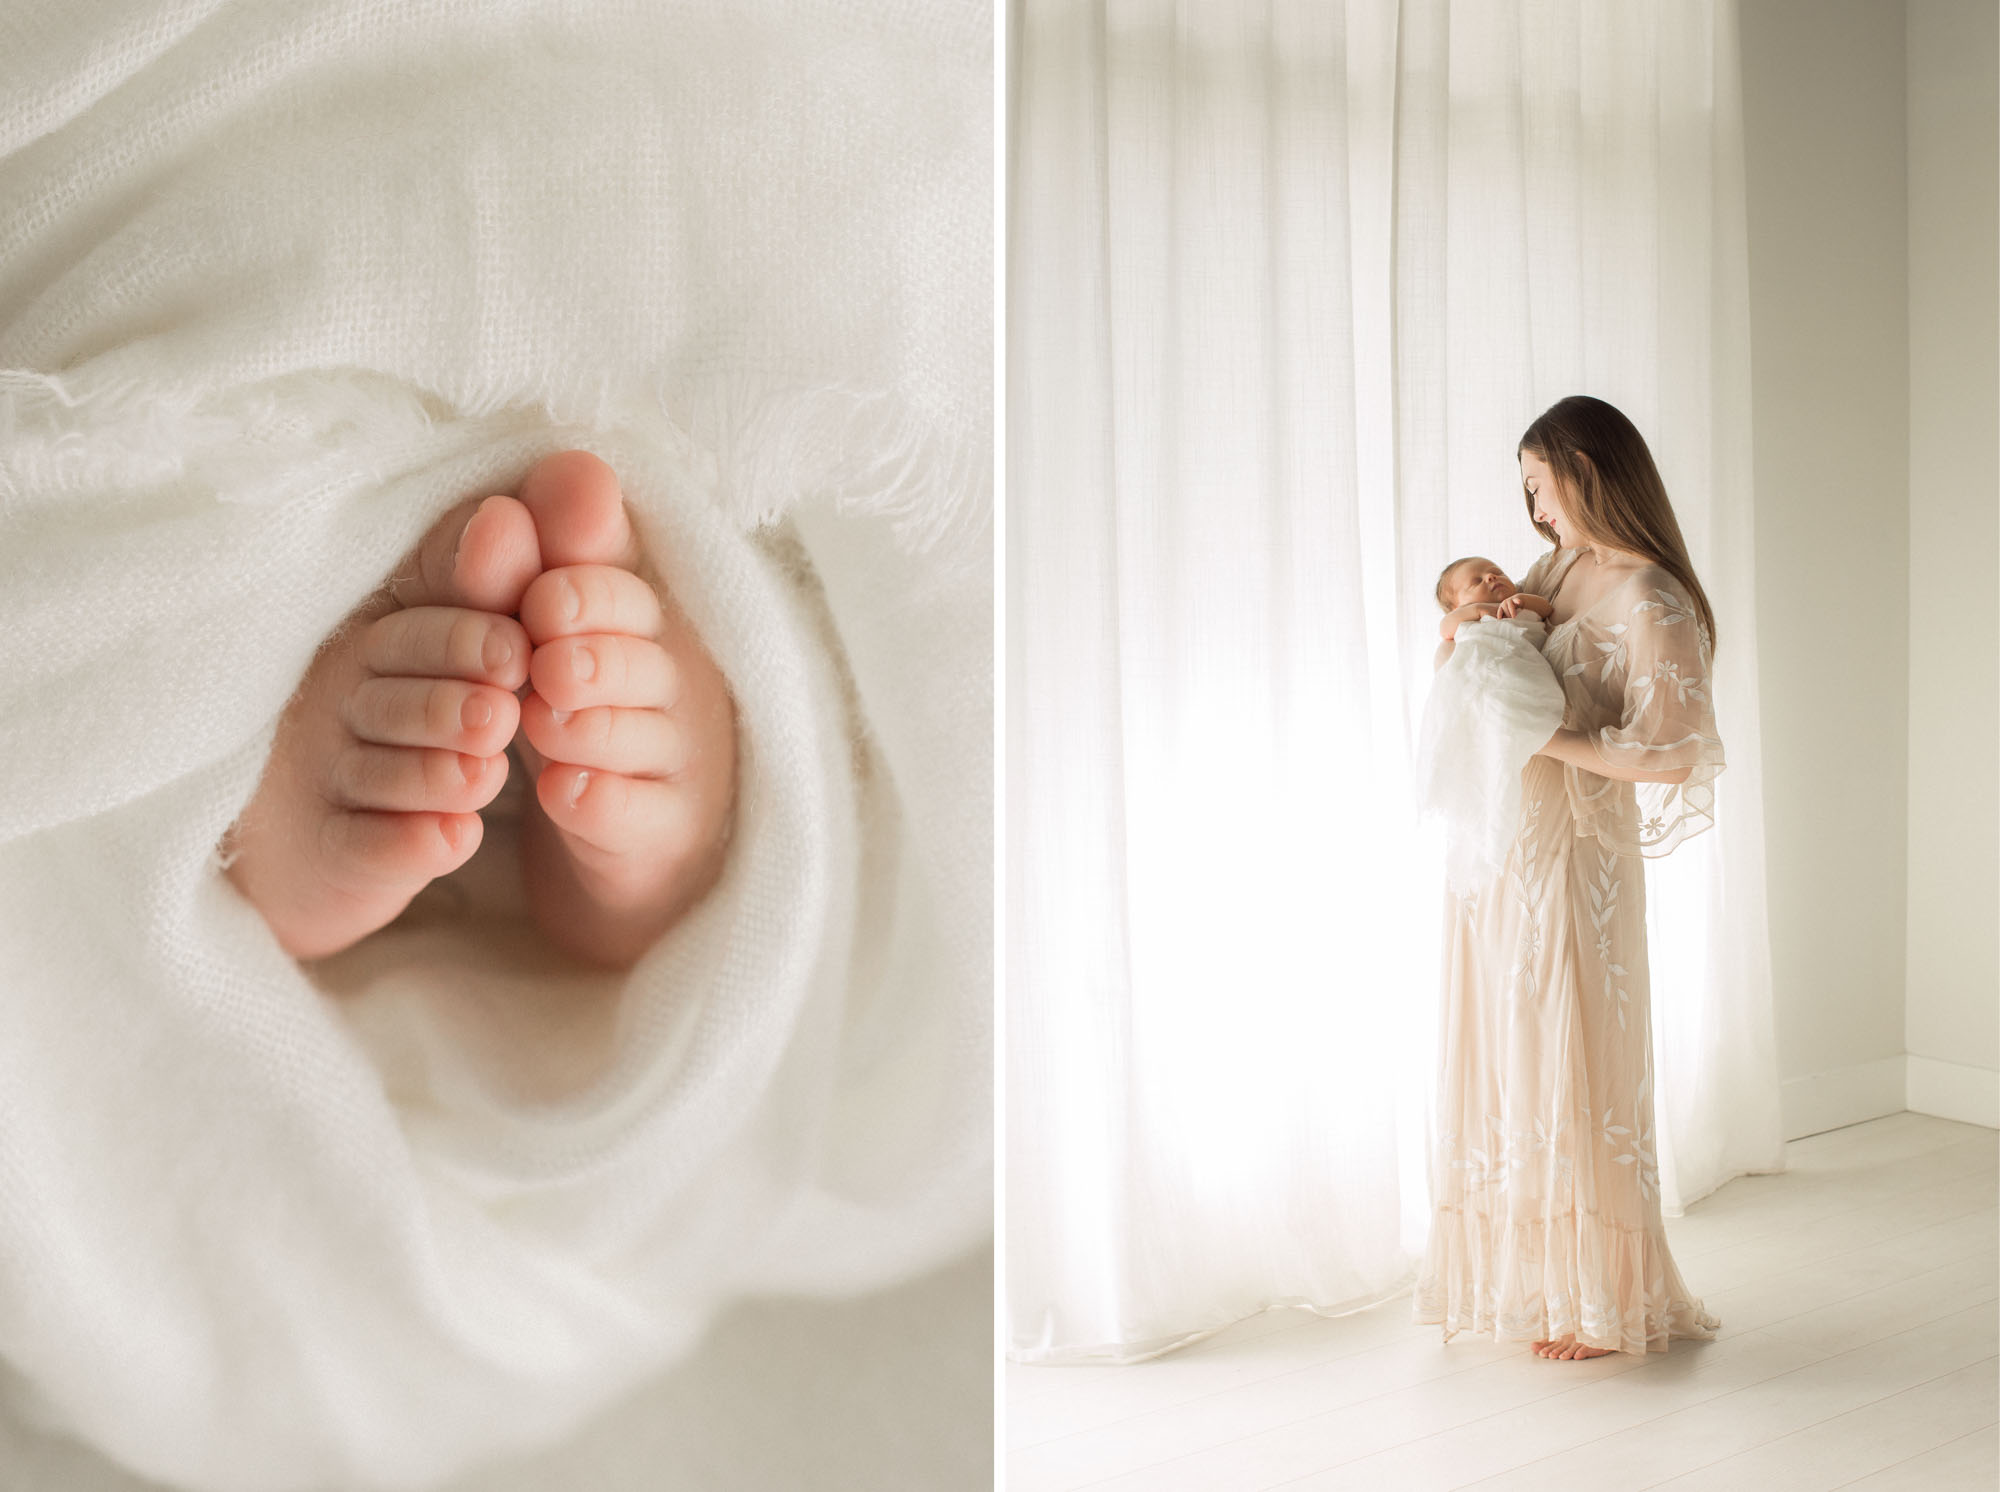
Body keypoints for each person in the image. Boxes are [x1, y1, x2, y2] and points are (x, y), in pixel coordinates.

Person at [1412, 394, 1725, 1361]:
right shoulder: (1556, 571)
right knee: (1511, 1051)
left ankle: (1598, 1297)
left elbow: (1673, 756)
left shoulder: (1652, 598)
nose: (1535, 516)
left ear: (1588, 472)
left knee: (1575, 1052)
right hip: (1504, 849)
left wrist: (1546, 737)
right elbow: (1492, 660)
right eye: (1526, 494)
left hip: (1578, 861)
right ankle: (1536, 1282)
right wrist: (1461, 650)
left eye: (1541, 488)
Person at [1415, 558, 1567, 897]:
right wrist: (1482, 609)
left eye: (1496, 572)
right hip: (1481, 666)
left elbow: (1548, 609)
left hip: (1519, 669)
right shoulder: (1469, 619)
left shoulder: (1523, 607)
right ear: (1458, 604)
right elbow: (1446, 627)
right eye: (1477, 580)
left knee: (1504, 739)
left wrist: (1523, 601)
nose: (1492, 577)